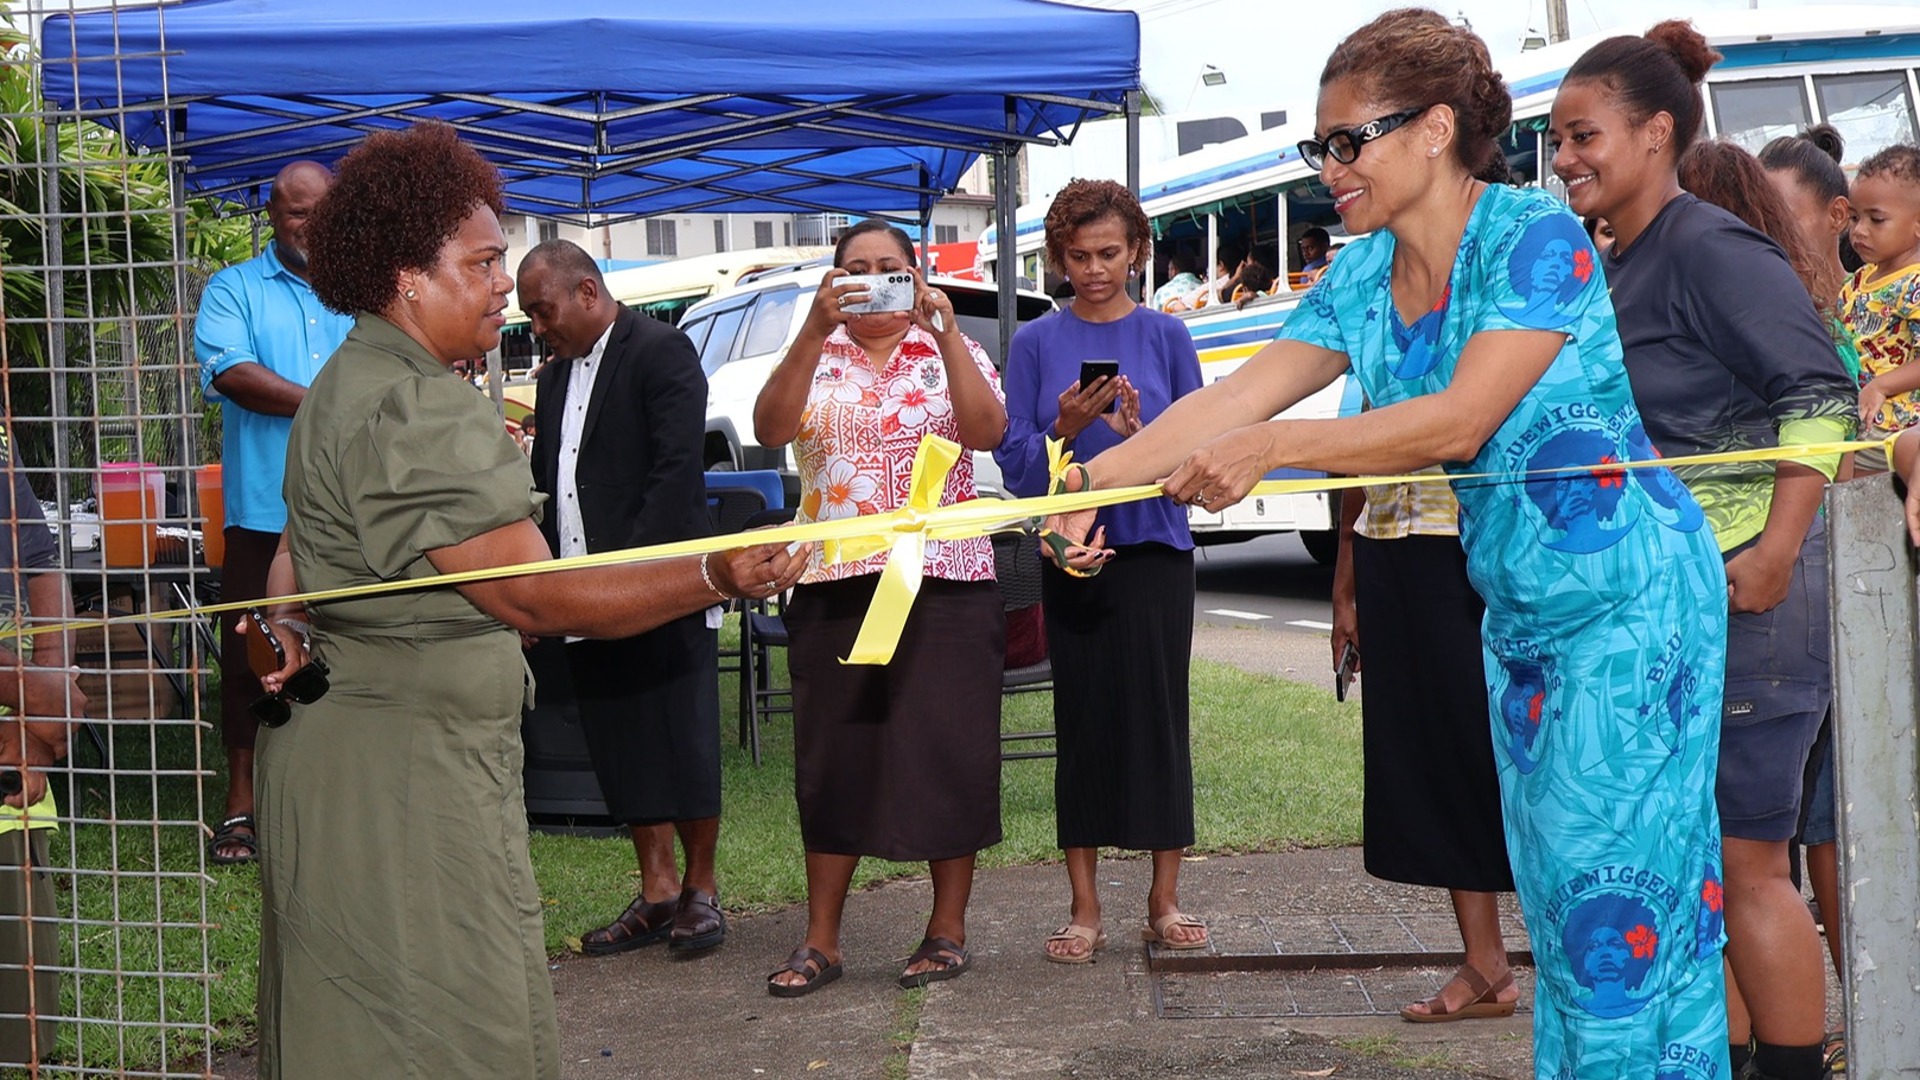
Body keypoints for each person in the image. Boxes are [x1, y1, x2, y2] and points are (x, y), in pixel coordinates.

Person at [1046, 11, 1729, 1076]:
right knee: (1566, 909)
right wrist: (1080, 490)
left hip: (1632, 609)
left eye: (1346, 141)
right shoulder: (1362, 278)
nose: (1330, 169)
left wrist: (1275, 446)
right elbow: (1231, 398)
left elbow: (1460, 420)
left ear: (1433, 128)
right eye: (1320, 148)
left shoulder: (1533, 239)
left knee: (1618, 916)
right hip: (1525, 618)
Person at [255, 121, 805, 1080]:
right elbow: (539, 598)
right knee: (443, 1032)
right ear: (405, 278)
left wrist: (292, 617)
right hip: (404, 784)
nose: (503, 282)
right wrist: (715, 573)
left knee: (359, 1025)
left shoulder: (348, 381)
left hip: (356, 759)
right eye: (482, 260)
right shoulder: (418, 403)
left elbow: (301, 543)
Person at [1550, 23, 1858, 1080]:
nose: (1564, 160)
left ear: (1656, 133)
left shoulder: (1708, 246)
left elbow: (1819, 396)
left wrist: (1776, 551)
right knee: (1696, 867)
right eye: (1555, 141)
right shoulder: (1616, 259)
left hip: (1748, 594)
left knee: (1749, 862)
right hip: (1672, 601)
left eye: (1583, 135)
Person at [752, 219, 1007, 997]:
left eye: (889, 267)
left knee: (947, 749)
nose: (873, 280)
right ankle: (821, 940)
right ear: (833, 281)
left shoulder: (950, 349)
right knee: (836, 759)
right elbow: (768, 431)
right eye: (855, 269)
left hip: (946, 580)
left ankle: (947, 929)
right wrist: (811, 329)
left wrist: (949, 333)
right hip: (835, 581)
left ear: (917, 275)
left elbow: (987, 429)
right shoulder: (812, 353)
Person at [992, 179, 1208, 965]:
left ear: (1138, 253)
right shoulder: (1033, 343)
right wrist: (1065, 427)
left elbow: (1200, 446)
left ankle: (1164, 898)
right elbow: (1017, 469)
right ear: (1056, 259)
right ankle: (1083, 907)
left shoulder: (1169, 337)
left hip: (1154, 551)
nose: (1094, 270)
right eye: (1078, 256)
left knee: (1160, 721)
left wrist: (1141, 432)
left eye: (1109, 253)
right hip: (1067, 556)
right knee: (1082, 724)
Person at [519, 239, 727, 959]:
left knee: (684, 737)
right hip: (583, 595)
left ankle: (702, 889)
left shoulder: (662, 351)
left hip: (661, 586)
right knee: (621, 740)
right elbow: (555, 484)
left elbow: (674, 474)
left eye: (543, 312)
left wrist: (627, 579)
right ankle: (659, 889)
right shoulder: (550, 381)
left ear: (586, 291)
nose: (537, 328)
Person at [193, 160, 353, 866]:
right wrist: (323, 401)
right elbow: (231, 373)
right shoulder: (234, 289)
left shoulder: (362, 286)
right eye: (296, 213)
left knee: (351, 643)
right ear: (270, 215)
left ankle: (333, 797)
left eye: (321, 211)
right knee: (249, 654)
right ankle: (242, 805)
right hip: (263, 509)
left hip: (355, 509)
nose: (309, 225)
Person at [1332, 465, 1517, 1022]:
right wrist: (1345, 588)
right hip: (1387, 542)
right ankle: (1486, 963)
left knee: (1507, 748)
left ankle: (1586, 957)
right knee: (1436, 749)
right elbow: (1358, 451)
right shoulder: (1374, 371)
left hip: (1473, 539)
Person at [0, 424, 83, 1066]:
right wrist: (30, 688)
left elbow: (40, 555)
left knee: (24, 1030)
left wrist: (41, 720)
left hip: (14, 780)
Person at [1839, 144, 1920, 473]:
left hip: (1899, 428)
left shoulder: (1914, 285)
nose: (1859, 231)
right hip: (1857, 417)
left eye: (1877, 219)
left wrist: (1880, 387)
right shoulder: (1859, 280)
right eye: (1855, 218)